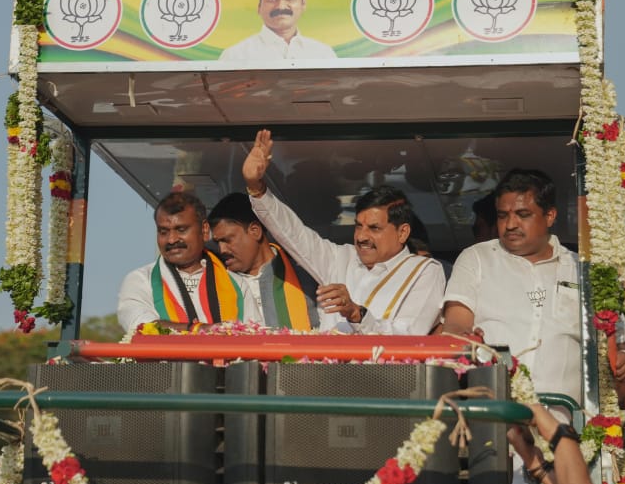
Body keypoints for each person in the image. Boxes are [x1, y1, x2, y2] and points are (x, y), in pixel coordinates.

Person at [242, 129, 444, 335]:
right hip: (322, 366)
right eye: (358, 226)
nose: (362, 236)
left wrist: (357, 314)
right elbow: (293, 234)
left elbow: (410, 334)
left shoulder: (424, 270)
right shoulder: (341, 258)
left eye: (374, 228)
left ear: (402, 233)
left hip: (386, 368)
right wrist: (256, 187)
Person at [443, 168, 582, 406]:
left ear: (550, 216)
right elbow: (456, 323)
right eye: (502, 215)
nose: (510, 224)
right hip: (493, 418)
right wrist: (466, 337)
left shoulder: (580, 269)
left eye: (523, 214)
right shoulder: (477, 258)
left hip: (565, 419)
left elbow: (613, 340)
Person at [117, 191, 258, 335]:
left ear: (204, 230)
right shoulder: (141, 280)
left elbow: (254, 336)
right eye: (163, 231)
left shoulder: (237, 284)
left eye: (181, 229)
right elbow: (142, 328)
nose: (171, 239)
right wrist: (201, 330)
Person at [207, 192, 321, 330]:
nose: (222, 250)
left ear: (255, 231)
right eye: (217, 242)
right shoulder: (214, 282)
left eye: (227, 240)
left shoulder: (307, 276)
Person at [219, 0, 336, 61]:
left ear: (303, 4)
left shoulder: (323, 54)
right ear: (259, 6)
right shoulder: (235, 56)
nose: (281, 6)